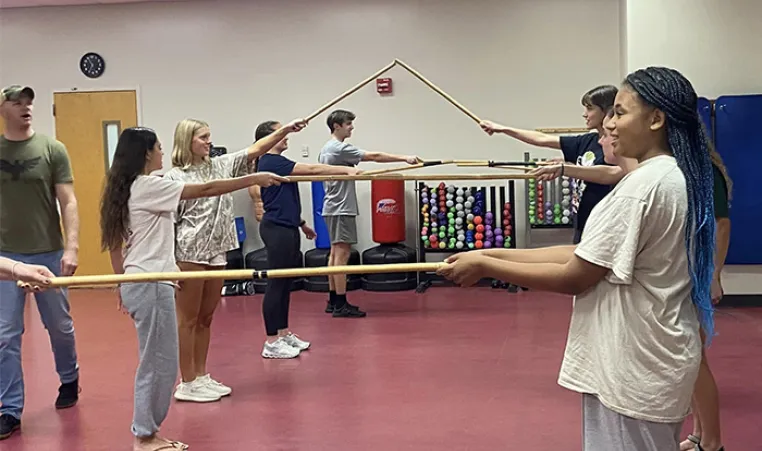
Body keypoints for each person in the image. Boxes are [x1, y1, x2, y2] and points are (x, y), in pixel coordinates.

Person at [438, 66, 717, 450]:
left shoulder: (643, 186)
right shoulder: (670, 175)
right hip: (647, 360)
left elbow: (575, 276)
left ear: (656, 119)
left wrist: (485, 267)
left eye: (619, 113)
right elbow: (583, 253)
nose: (609, 124)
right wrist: (488, 251)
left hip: (633, 365)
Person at [532, 110, 730, 451]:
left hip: (682, 281)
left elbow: (720, 225)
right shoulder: (652, 173)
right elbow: (609, 172)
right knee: (690, 359)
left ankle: (710, 440)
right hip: (666, 285)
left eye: (618, 118)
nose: (608, 134)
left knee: (694, 358)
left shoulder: (691, 172)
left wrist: (714, 273)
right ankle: (700, 434)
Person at [100, 127, 287, 451]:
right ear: (146, 154)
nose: (161, 152)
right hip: (151, 282)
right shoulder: (149, 186)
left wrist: (122, 284)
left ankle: (148, 432)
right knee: (158, 364)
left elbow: (116, 247)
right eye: (157, 148)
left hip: (142, 281)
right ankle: (145, 436)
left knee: (156, 362)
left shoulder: (128, 187)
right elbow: (207, 188)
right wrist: (252, 180)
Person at [163, 117, 306, 403]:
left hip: (218, 251)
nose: (208, 141)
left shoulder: (220, 165)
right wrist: (169, 264)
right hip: (189, 253)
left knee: (205, 318)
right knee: (187, 320)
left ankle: (201, 376)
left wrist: (286, 129)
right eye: (202, 137)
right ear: (187, 141)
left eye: (209, 136)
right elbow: (168, 224)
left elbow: (254, 150)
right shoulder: (174, 177)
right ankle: (187, 381)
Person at [0, 85, 81, 440]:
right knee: (5, 335)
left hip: (47, 251)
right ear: (3, 109)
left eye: (28, 102)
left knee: (59, 326)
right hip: (5, 257)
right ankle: (9, 409)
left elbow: (69, 200)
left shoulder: (52, 149)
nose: (25, 108)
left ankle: (69, 378)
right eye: (16, 103)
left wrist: (72, 247)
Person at [249, 120, 362, 358]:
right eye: (281, 133)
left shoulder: (275, 162)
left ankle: (283, 332)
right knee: (276, 283)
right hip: (276, 230)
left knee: (285, 283)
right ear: (269, 139)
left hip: (288, 227)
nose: (286, 136)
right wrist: (346, 170)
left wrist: (301, 224)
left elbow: (282, 199)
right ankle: (271, 341)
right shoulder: (271, 161)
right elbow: (311, 171)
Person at [479, 85, 618, 243]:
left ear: (606, 111)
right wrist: (502, 129)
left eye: (590, 108)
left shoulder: (616, 147)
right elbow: (541, 139)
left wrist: (565, 168)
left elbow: (610, 174)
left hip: (603, 225)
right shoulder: (588, 141)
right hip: (582, 223)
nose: (584, 114)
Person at [319, 109, 420, 317]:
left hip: (333, 206)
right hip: (340, 207)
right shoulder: (338, 148)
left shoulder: (326, 149)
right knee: (342, 254)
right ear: (336, 126)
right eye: (348, 123)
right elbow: (374, 156)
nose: (352, 127)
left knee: (335, 253)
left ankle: (333, 300)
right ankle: (339, 304)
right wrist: (405, 158)